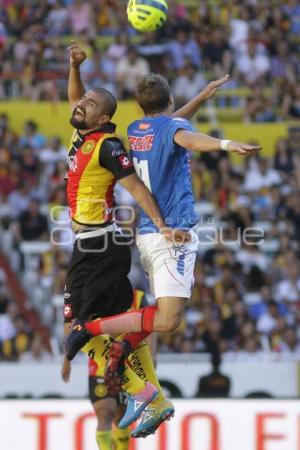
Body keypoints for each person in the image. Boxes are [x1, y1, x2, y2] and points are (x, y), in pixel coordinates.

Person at [66, 73, 260, 387]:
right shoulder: (172, 129)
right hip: (172, 231)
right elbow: (187, 138)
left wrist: (200, 98)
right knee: (168, 320)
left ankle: (124, 346)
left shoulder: (137, 129)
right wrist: (225, 144)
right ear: (169, 101)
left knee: (162, 311)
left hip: (148, 234)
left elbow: (173, 127)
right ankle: (90, 331)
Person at [63, 43, 189, 430]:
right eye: (81, 99)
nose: (79, 104)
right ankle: (151, 394)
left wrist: (162, 223)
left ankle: (145, 394)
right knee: (117, 328)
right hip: (99, 246)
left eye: (88, 102)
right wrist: (74, 67)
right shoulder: (85, 135)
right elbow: (74, 100)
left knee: (82, 329)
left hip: (97, 248)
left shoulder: (107, 146)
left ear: (102, 116)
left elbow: (136, 189)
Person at [62, 290, 174, 448]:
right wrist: (67, 361)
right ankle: (155, 400)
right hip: (100, 365)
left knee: (120, 416)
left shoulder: (138, 297)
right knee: (105, 412)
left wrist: (152, 353)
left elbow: (151, 326)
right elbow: (72, 328)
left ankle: (152, 400)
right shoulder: (86, 287)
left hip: (128, 360)